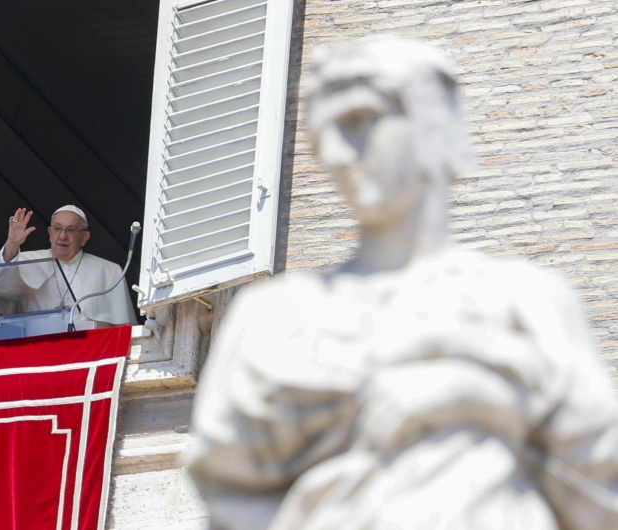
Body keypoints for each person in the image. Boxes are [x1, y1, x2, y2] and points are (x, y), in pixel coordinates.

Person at [183, 39, 618, 529]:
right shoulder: (273, 315)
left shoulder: (524, 298)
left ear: (431, 123)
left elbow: (600, 482)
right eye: (321, 135)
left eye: (360, 120)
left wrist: (475, 393)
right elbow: (228, 491)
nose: (335, 153)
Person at [0, 205, 137, 329]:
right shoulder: (25, 261)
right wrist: (12, 245)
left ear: (84, 238)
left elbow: (124, 329)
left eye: (71, 230)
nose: (62, 236)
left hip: (93, 354)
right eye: (57, 229)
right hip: (39, 351)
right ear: (50, 233)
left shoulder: (109, 270)